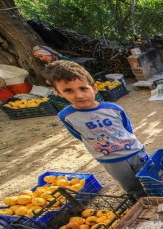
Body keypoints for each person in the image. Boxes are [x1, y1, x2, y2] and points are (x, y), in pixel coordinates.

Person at [44, 60, 148, 198]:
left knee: (149, 178)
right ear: (58, 93)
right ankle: (140, 202)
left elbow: (126, 128)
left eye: (83, 88)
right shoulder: (67, 116)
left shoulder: (113, 109)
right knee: (131, 187)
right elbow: (79, 135)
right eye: (68, 91)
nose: (79, 95)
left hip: (135, 152)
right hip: (111, 160)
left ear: (94, 88)